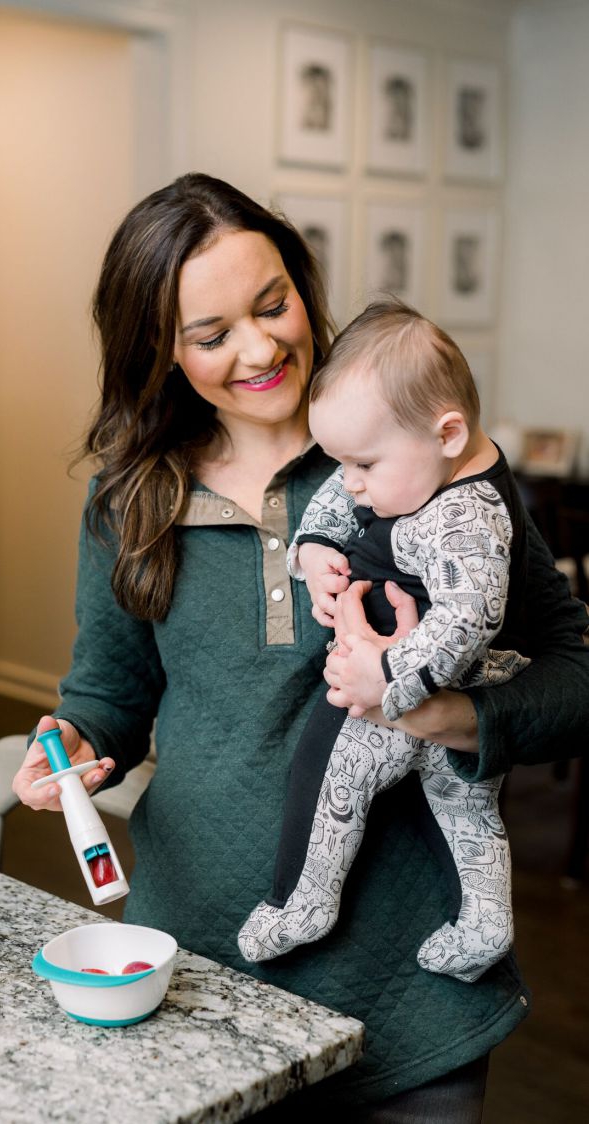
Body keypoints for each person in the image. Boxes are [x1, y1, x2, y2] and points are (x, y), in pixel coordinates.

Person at [11, 173, 589, 1118]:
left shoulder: (411, 453)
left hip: (410, 990)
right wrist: (78, 743)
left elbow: (577, 674)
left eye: (273, 302)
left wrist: (452, 713)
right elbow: (110, 693)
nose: (262, 346)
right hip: (195, 969)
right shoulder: (131, 500)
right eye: (212, 334)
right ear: (158, 353)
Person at [238, 299, 529, 983]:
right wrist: (311, 551)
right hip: (438, 689)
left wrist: (385, 678)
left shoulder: (471, 517)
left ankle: (304, 901)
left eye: (364, 463)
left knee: (332, 772)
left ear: (448, 433)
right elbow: (340, 501)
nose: (352, 483)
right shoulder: (409, 463)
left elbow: (472, 615)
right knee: (467, 809)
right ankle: (486, 923)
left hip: (421, 687)